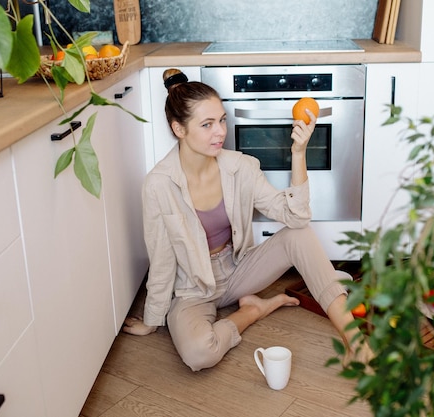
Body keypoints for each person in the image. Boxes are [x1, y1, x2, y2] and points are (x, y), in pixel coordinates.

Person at [123, 68, 367, 371]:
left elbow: (296, 216)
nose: (220, 132)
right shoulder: (158, 184)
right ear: (179, 129)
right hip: (192, 288)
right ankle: (255, 309)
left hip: (237, 271)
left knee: (299, 234)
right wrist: (152, 319)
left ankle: (355, 343)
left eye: (222, 120)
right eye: (207, 124)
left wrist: (298, 152)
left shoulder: (241, 167)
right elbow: (160, 258)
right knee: (199, 354)